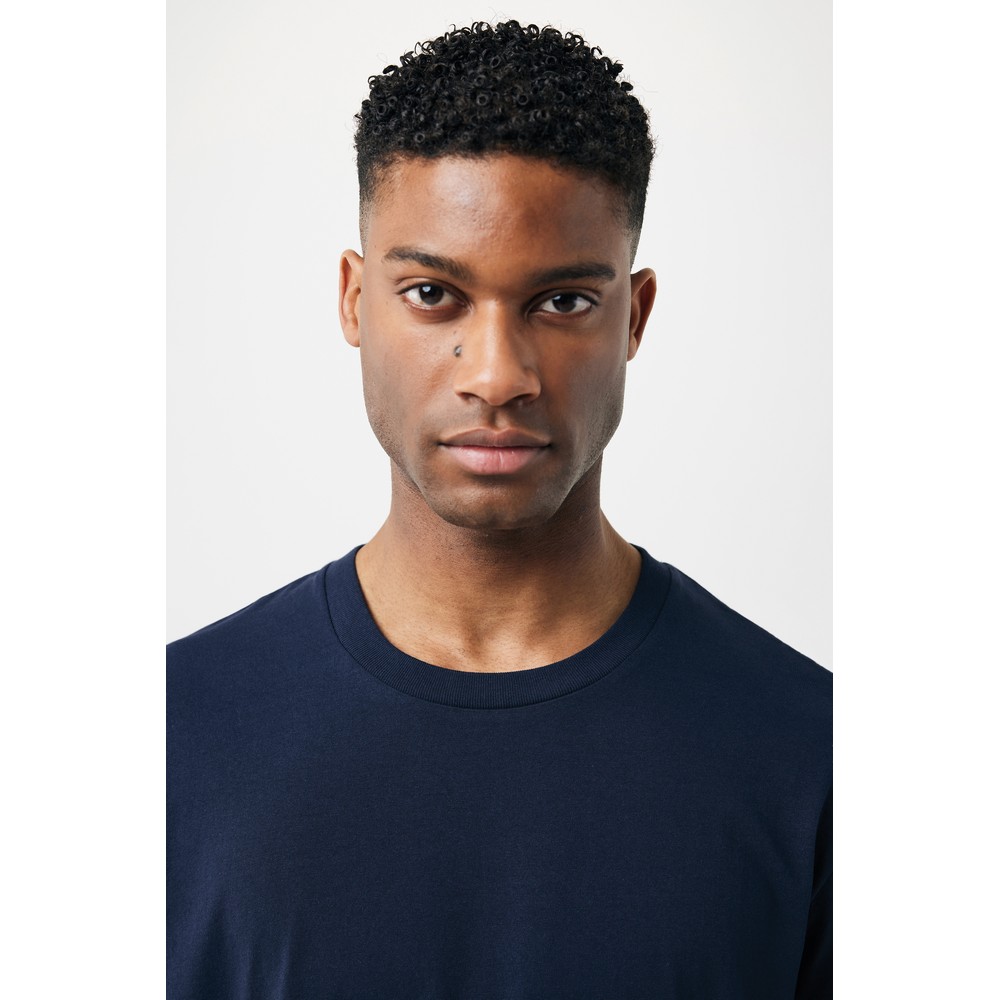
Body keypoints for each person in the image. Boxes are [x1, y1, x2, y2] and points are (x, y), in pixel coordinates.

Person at [167, 20, 831, 999]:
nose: (497, 374)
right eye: (432, 293)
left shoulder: (813, 757)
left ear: (635, 315)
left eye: (562, 303)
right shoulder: (168, 741)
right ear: (353, 300)